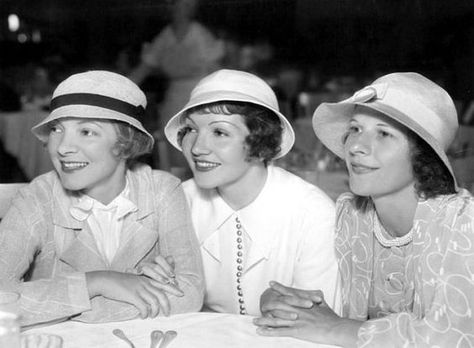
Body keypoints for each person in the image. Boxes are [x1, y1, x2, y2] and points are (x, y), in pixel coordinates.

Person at [254, 72, 474, 347]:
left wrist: (339, 328)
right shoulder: (353, 215)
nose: (356, 147)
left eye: (383, 133)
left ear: (423, 155)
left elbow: (455, 337)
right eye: (355, 129)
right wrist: (291, 304)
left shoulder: (463, 224)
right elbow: (332, 306)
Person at [0, 70, 204, 327]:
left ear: (125, 143)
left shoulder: (162, 190)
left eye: (86, 132)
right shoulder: (38, 198)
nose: (62, 147)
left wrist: (55, 306)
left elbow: (190, 293)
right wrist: (97, 282)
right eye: (56, 129)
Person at [163, 69, 339, 316]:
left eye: (219, 132)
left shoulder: (311, 212)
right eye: (191, 130)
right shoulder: (177, 202)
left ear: (260, 141)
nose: (198, 148)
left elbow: (318, 322)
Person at [129, 0, 224, 171]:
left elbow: (216, 70)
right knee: (172, 144)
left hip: (200, 96)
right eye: (175, 4)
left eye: (185, 5)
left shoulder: (199, 34)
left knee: (202, 143)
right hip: (173, 99)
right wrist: (114, 90)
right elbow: (142, 70)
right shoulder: (165, 36)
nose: (179, 9)